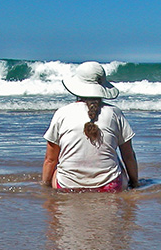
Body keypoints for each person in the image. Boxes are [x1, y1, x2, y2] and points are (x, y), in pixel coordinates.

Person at [42, 61, 139, 192]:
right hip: (109, 187)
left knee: (57, 168)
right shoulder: (114, 113)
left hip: (68, 186)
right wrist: (135, 183)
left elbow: (50, 159)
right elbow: (128, 156)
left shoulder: (62, 113)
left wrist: (45, 186)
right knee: (117, 160)